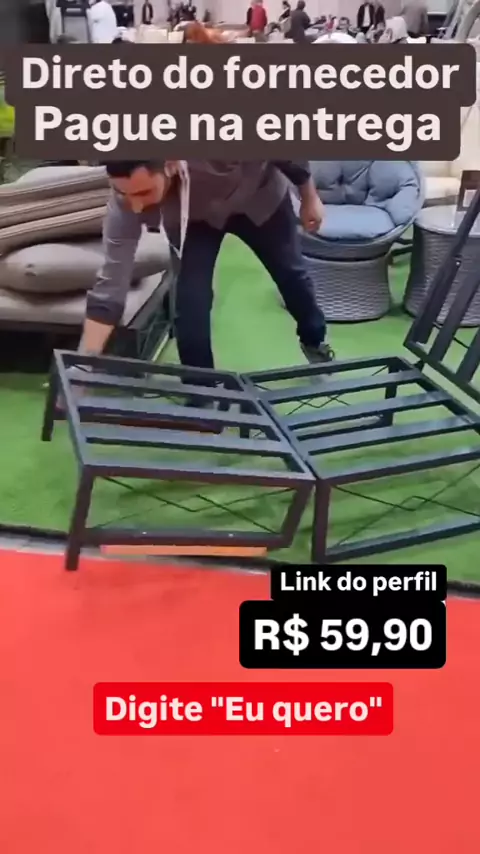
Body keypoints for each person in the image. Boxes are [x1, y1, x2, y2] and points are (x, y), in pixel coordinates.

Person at [77, 161, 334, 387]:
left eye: (145, 192)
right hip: (195, 220)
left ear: (170, 165)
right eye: (124, 193)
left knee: (292, 276)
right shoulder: (126, 202)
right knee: (190, 301)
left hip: (259, 200)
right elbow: (111, 286)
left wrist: (309, 197)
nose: (135, 206)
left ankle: (314, 342)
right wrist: (82, 368)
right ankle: (201, 391)